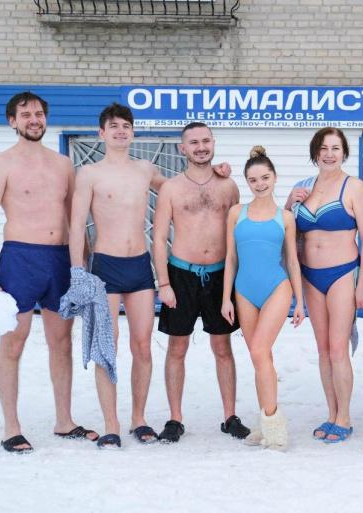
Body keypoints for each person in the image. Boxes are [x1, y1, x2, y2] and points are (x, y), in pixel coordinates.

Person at [0, 92, 97, 453]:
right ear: (12, 121)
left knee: (61, 342)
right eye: (25, 114)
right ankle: (11, 427)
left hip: (60, 261)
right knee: (14, 341)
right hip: (20, 260)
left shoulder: (63, 164)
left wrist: (83, 268)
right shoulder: (1, 165)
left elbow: (76, 221)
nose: (34, 120)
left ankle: (64, 420)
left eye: (39, 114)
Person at [68, 103, 167, 448]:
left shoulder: (145, 169)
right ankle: (111, 424)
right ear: (102, 133)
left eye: (126, 125)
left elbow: (180, 189)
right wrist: (77, 272)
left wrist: (214, 172)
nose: (121, 131)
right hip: (105, 268)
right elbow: (76, 226)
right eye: (113, 126)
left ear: (133, 132)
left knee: (143, 346)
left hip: (139, 265)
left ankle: (139, 418)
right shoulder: (89, 173)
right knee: (106, 347)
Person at [152, 122, 251, 442]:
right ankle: (175, 419)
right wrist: (163, 283)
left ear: (214, 143)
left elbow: (237, 234)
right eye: (193, 142)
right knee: (177, 347)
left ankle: (230, 416)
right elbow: (158, 239)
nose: (200, 147)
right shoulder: (171, 188)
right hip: (181, 274)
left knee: (223, 347)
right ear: (182, 148)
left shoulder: (228, 186)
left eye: (205, 141)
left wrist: (237, 281)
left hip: (220, 275)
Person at [285, 127, 363, 443]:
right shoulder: (302, 187)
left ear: (344, 153)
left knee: (338, 348)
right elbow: (285, 230)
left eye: (336, 148)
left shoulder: (354, 187)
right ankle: (331, 413)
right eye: (323, 148)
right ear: (315, 152)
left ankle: (344, 417)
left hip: (342, 275)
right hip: (310, 276)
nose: (329, 154)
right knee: (323, 349)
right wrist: (288, 204)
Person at [221, 146, 305, 451]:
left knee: (258, 351)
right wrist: (226, 298)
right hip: (244, 290)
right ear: (247, 182)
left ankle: (275, 427)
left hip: (276, 288)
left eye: (265, 177)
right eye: (253, 179)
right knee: (261, 358)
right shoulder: (236, 213)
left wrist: (300, 301)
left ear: (275, 177)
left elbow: (292, 261)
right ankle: (265, 422)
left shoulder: (285, 217)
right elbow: (231, 258)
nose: (260, 184)